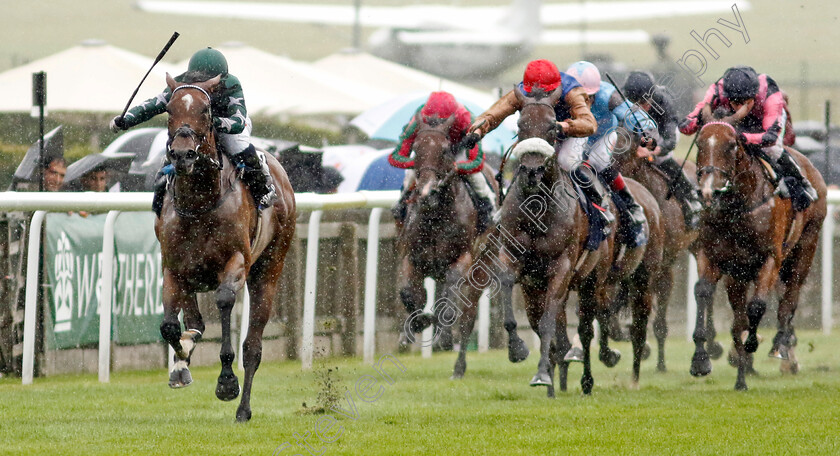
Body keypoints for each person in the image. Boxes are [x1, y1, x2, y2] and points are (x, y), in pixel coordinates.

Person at [109, 47, 277, 215]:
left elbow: (238, 122)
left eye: (208, 81)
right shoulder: (181, 84)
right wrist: (127, 119)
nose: (202, 84)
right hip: (193, 127)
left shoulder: (231, 84)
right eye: (198, 80)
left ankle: (262, 186)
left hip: (227, 122)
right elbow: (153, 105)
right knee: (172, 152)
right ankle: (160, 197)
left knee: (237, 146)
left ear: (220, 79)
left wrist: (210, 122)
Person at [467, 59, 604, 227]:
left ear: (556, 88)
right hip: (537, 136)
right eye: (533, 94)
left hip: (569, 135)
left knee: (566, 161)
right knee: (525, 162)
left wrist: (564, 127)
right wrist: (477, 130)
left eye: (546, 94)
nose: (539, 97)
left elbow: (589, 124)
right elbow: (492, 115)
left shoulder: (572, 90)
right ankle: (506, 207)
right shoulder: (521, 91)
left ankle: (593, 205)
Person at [679, 66, 817, 210]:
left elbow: (770, 137)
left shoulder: (770, 94)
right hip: (733, 121)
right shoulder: (717, 89)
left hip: (765, 121)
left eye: (744, 102)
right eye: (734, 102)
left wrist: (741, 137)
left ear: (754, 96)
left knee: (773, 150)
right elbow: (687, 124)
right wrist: (697, 123)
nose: (739, 107)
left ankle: (802, 184)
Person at [564, 61, 650, 245]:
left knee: (600, 162)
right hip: (578, 133)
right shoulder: (562, 93)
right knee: (565, 161)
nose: (585, 103)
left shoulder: (609, 95)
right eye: (579, 98)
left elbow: (633, 115)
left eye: (589, 97)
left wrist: (646, 131)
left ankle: (630, 204)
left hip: (602, 136)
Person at [389, 91, 496, 233]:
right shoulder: (419, 117)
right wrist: (419, 164)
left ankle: (489, 211)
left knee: (478, 179)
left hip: (457, 150)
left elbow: (476, 162)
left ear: (452, 118)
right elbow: (396, 156)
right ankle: (402, 207)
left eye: (440, 123)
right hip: (428, 155)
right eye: (430, 122)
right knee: (409, 176)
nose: (435, 125)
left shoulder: (466, 118)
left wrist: (457, 167)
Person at [623, 70, 703, 228]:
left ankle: (691, 197)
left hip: (661, 132)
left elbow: (670, 139)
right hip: (637, 131)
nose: (642, 107)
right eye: (636, 104)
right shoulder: (620, 98)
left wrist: (654, 150)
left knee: (661, 159)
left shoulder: (663, 101)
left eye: (644, 103)